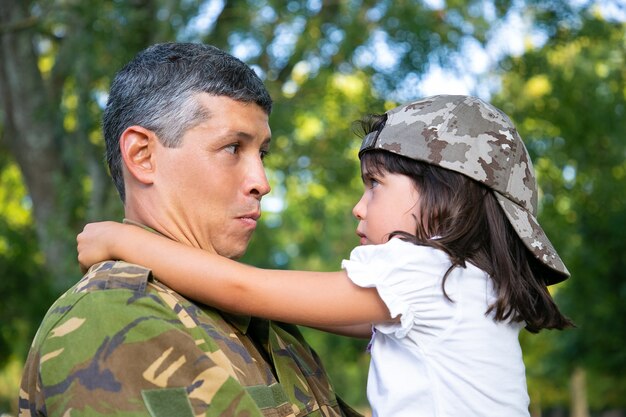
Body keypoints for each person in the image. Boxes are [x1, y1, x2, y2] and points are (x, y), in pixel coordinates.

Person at [77, 94, 574, 417]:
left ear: (444, 194)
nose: (359, 208)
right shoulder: (466, 284)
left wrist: (124, 242)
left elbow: (245, 289)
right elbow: (291, 306)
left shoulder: (421, 271)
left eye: (374, 186)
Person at [19, 42, 362, 417]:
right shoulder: (116, 313)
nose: (261, 182)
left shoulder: (263, 318)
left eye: (261, 154)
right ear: (142, 156)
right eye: (233, 148)